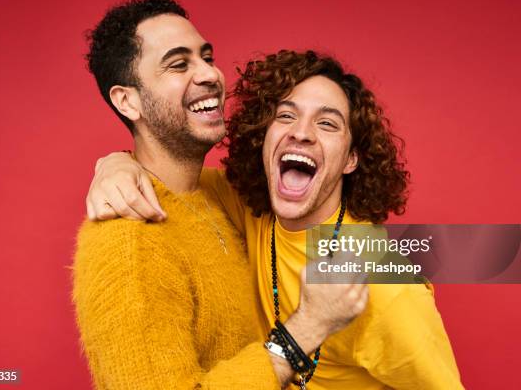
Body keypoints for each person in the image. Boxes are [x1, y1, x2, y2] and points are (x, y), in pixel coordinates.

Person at [88, 50, 464, 389]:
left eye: (328, 124)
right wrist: (117, 164)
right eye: (286, 116)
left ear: (351, 159)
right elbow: (167, 175)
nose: (301, 133)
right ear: (264, 138)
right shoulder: (247, 206)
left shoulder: (386, 286)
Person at [73, 0, 368, 390]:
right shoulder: (128, 244)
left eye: (206, 57)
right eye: (179, 64)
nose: (210, 75)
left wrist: (113, 160)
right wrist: (304, 331)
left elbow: (340, 229)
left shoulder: (216, 195)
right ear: (128, 101)